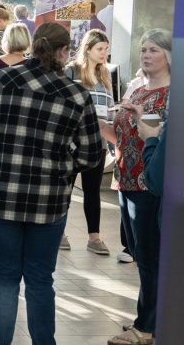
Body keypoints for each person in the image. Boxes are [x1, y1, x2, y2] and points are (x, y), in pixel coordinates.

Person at [0, 23, 104, 345]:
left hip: (2, 194)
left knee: (5, 279)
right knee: (40, 280)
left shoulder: (0, 80)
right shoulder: (76, 95)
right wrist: (64, 167)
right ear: (65, 52)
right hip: (50, 200)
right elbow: (92, 154)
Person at [98, 28, 171, 345]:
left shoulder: (172, 94)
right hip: (126, 179)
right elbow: (121, 135)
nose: (146, 55)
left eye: (153, 49)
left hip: (149, 184)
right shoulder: (139, 90)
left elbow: (156, 138)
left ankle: (148, 325)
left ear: (168, 55)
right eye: (143, 49)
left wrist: (140, 119)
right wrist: (98, 122)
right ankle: (148, 318)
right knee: (141, 254)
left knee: (151, 256)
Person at [64, 28, 112, 255]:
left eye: (106, 49)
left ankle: (94, 237)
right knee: (65, 187)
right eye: (100, 49)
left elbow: (109, 106)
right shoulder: (71, 71)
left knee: (93, 189)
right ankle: (59, 233)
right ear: (88, 48)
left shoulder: (105, 74)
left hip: (98, 141)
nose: (104, 54)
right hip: (73, 140)